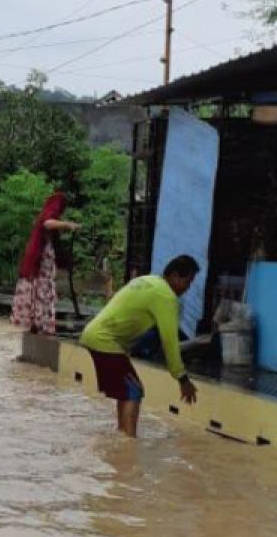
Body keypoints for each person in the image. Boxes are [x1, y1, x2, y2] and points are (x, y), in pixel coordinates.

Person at [79, 255, 201, 437]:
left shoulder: (147, 280)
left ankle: (121, 436)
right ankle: (128, 444)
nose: (187, 289)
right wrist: (182, 378)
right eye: (187, 282)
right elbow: (169, 341)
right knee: (133, 390)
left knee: (127, 390)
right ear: (175, 276)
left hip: (96, 335)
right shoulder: (165, 296)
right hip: (105, 341)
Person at [12, 184, 80, 335]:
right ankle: (39, 324)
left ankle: (37, 325)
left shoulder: (46, 220)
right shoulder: (54, 206)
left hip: (40, 260)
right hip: (41, 260)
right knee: (40, 288)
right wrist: (67, 225)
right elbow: (48, 223)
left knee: (40, 289)